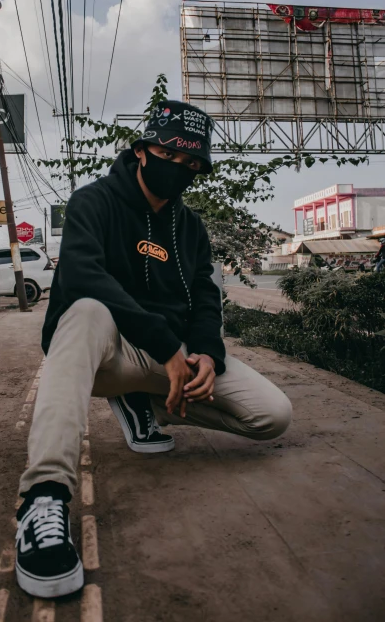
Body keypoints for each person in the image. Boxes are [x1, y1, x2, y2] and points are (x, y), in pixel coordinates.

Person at [15, 101, 292, 599]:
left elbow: (208, 296)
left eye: (191, 164)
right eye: (170, 154)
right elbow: (81, 273)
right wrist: (163, 344)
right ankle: (45, 498)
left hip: (175, 359)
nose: (179, 169)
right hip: (111, 354)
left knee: (273, 416)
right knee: (85, 310)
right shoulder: (93, 201)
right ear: (142, 152)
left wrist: (206, 355)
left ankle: (150, 405)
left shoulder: (191, 228)